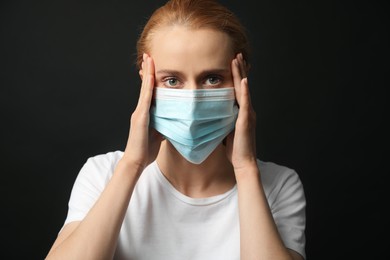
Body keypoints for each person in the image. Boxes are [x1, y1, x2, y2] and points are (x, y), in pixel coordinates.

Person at [46, 0, 306, 259]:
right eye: (172, 80)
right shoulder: (102, 174)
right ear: (146, 82)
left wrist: (246, 169)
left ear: (241, 79)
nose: (192, 101)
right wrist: (132, 165)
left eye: (212, 79)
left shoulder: (279, 185)